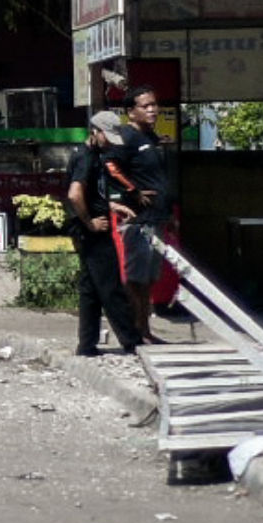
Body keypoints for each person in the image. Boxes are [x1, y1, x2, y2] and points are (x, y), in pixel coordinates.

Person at [102, 86, 175, 344]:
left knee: (149, 279)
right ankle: (133, 331)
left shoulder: (151, 138)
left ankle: (144, 330)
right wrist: (131, 192)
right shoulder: (126, 138)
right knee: (136, 278)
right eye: (145, 106)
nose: (153, 110)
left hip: (157, 218)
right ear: (131, 112)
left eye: (154, 105)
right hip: (138, 220)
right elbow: (109, 167)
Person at [66, 108, 140, 357]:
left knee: (90, 289)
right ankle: (132, 341)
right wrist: (90, 222)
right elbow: (74, 195)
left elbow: (90, 194)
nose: (109, 142)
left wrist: (112, 205)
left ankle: (86, 345)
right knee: (111, 288)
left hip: (90, 228)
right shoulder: (85, 157)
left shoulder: (92, 155)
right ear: (95, 132)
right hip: (93, 232)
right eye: (106, 136)